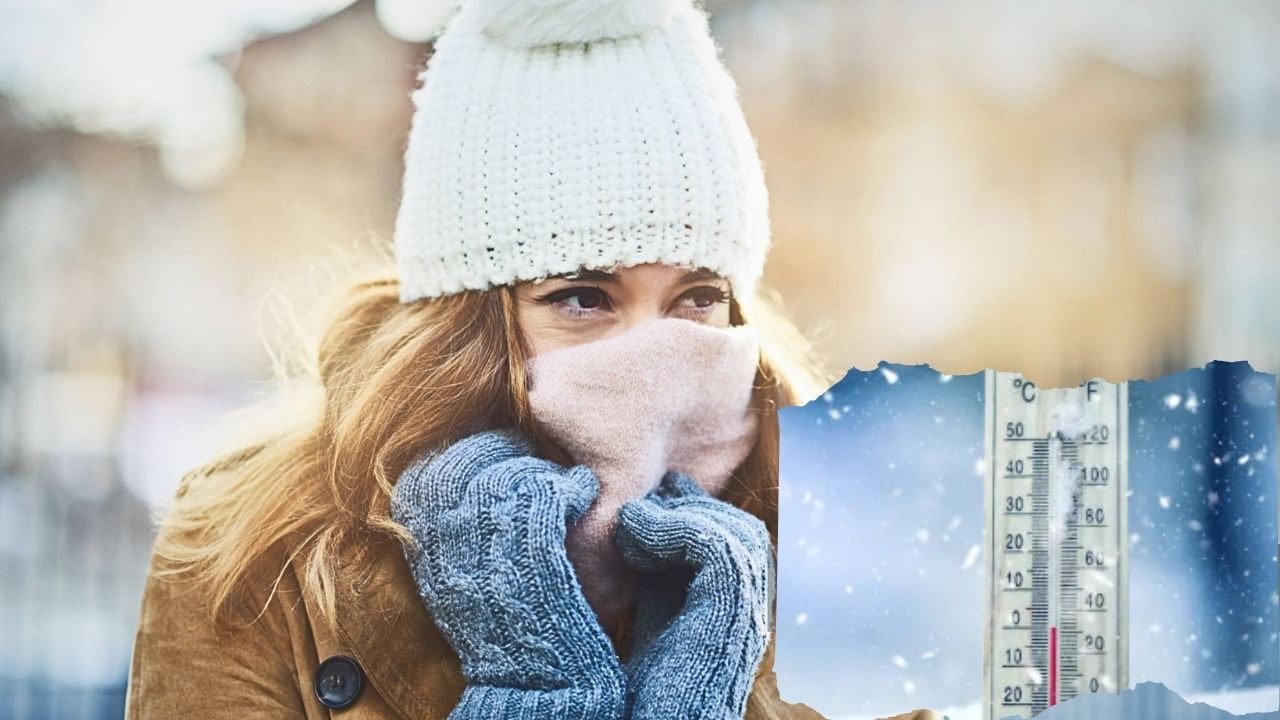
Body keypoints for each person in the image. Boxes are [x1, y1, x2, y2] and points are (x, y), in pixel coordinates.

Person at [123, 0, 943, 718]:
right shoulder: (256, 552)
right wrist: (539, 698)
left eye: (697, 297)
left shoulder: (844, 550)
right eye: (584, 298)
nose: (653, 360)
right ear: (466, 323)